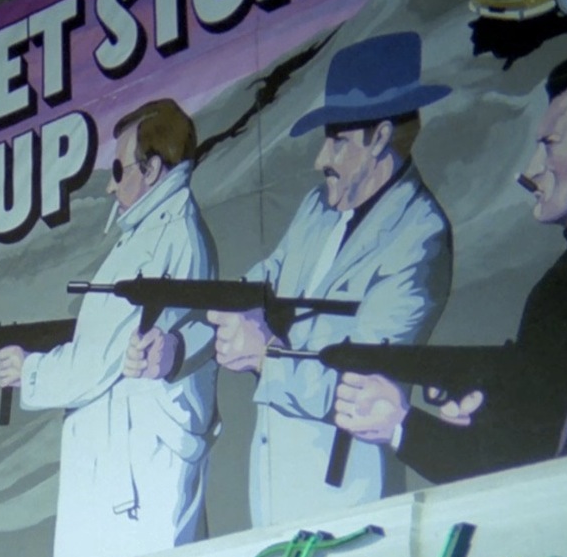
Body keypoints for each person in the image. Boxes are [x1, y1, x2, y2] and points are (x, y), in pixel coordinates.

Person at [333, 48, 567, 481]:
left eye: (550, 145)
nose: (531, 170)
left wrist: (399, 425)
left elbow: (515, 468)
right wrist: (494, 401)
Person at [129, 32, 454, 529]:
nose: (320, 159)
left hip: (349, 504)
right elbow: (246, 296)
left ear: (380, 138)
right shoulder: (316, 209)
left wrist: (264, 356)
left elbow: (362, 386)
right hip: (273, 495)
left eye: (337, 141)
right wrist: (176, 348)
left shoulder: (419, 235)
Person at [0, 99, 217, 557]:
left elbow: (98, 361)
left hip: (136, 483)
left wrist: (29, 371)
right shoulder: (152, 231)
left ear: (152, 169)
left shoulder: (163, 239)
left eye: (119, 170)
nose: (110, 185)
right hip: (129, 474)